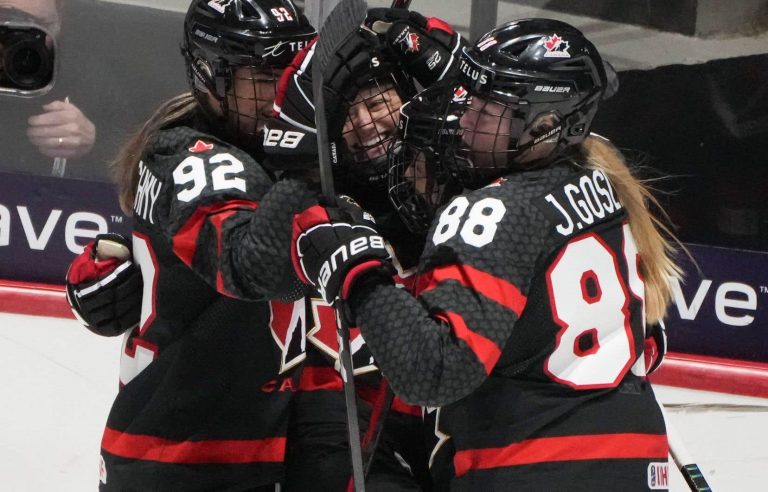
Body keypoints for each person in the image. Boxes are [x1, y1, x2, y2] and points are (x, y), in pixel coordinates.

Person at [291, 19, 682, 491]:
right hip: (640, 460)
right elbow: (649, 343)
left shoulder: (493, 209)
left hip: (532, 468)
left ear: (544, 124)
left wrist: (360, 273)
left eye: (488, 107)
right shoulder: (604, 187)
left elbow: (433, 373)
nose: (466, 118)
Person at [67, 0, 317, 490]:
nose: (285, 92)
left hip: (253, 444)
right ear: (212, 78)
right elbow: (249, 265)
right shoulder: (191, 156)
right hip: (181, 451)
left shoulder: (261, 149)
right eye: (264, 78)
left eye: (292, 72)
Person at [0, 0, 97, 175]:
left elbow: (129, 147)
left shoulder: (80, 71)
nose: (24, 39)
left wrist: (90, 140)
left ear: (60, 21)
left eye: (41, 25)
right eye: (7, 21)